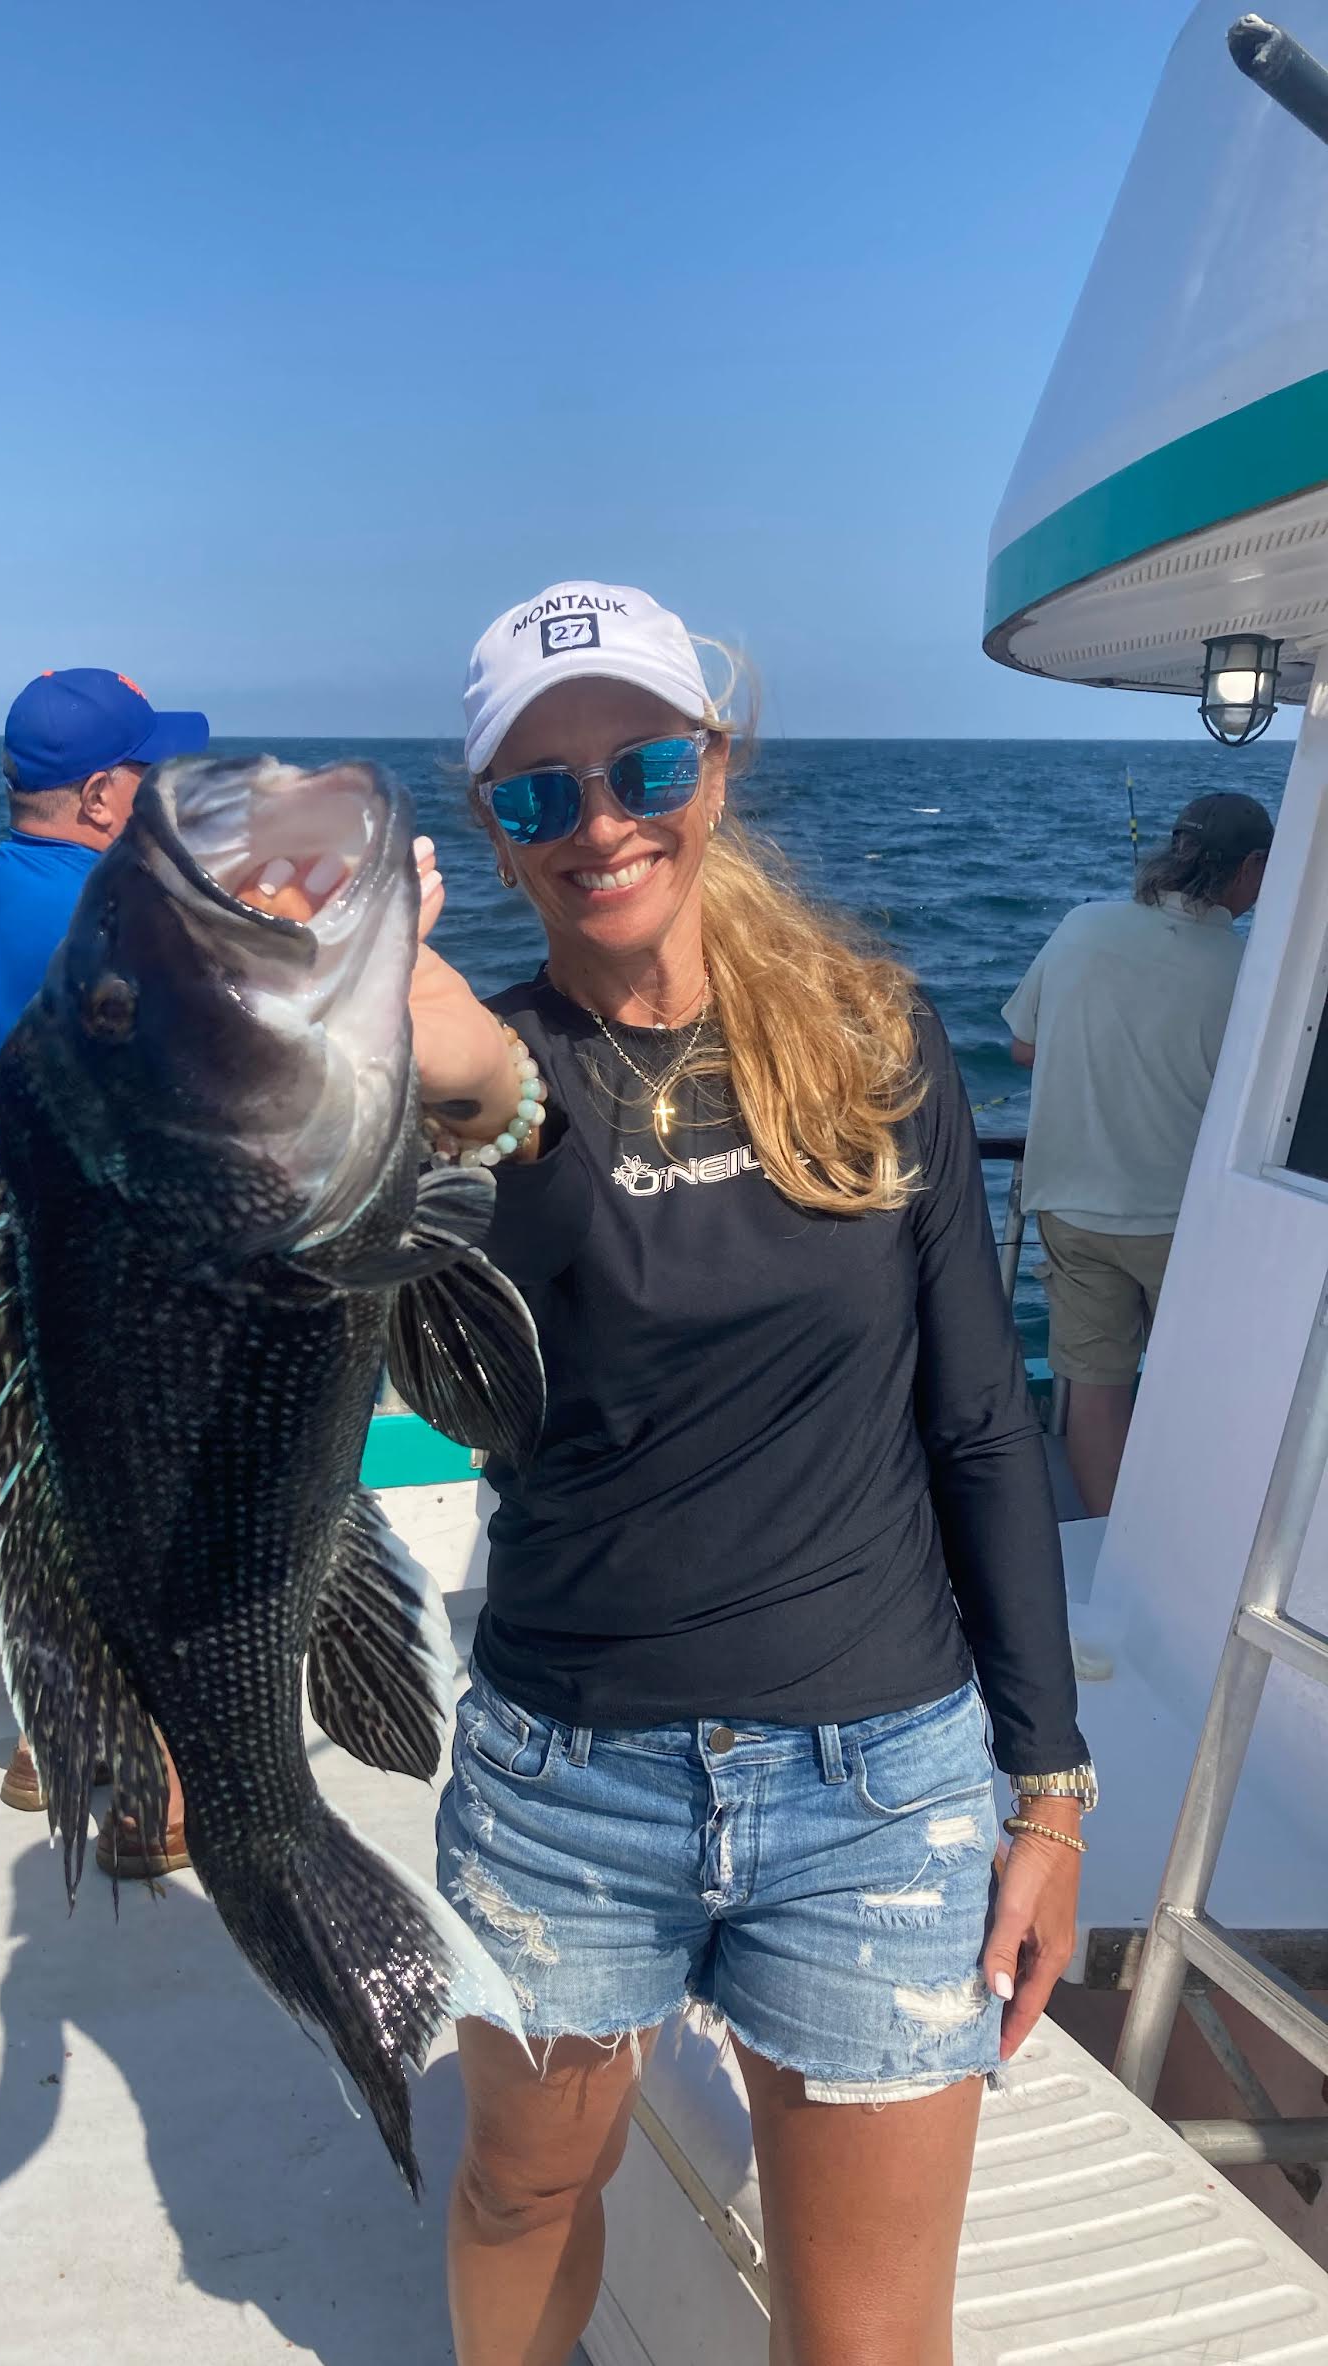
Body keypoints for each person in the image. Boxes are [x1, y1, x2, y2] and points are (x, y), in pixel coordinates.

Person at [400, 582, 1090, 2366]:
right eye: (539, 795)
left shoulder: (874, 1038)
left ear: (711, 763)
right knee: (519, 2193)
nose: (601, 822)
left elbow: (981, 1424)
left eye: (636, 764)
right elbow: (463, 1230)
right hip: (570, 1779)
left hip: (881, 1780)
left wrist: (1050, 1789)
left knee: (866, 2340)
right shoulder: (487, 1078)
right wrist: (386, 1051)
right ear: (492, 830)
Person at [0, 666, 208, 1874]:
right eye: (144, 773)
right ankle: (139, 1797)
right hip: (36, 1257)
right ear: (95, 794)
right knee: (116, 1514)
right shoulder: (118, 911)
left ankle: (44, 1740)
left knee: (27, 1520)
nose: (161, 792)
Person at [1003, 791, 1272, 1516]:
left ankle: (1110, 1546)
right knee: (1200, 1391)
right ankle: (1187, 1545)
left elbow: (1023, 1045)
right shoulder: (1248, 971)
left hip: (1067, 1205)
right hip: (1180, 1221)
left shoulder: (1082, 924)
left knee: (1093, 1391)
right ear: (1249, 867)